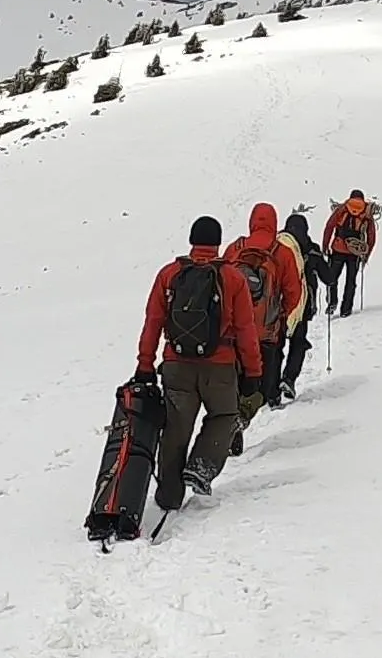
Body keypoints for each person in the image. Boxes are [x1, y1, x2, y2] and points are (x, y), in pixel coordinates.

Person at [136, 215, 264, 508]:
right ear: (217, 244)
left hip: (177, 365)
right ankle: (202, 465)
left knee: (175, 431)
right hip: (220, 366)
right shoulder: (232, 278)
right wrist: (253, 372)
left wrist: (145, 364)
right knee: (224, 417)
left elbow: (153, 322)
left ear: (192, 240)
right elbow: (246, 329)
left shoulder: (169, 275)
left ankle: (169, 497)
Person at [224, 203, 304, 448]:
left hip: (234, 332)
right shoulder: (282, 252)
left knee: (233, 383)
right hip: (266, 334)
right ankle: (241, 418)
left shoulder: (235, 249)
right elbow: (294, 292)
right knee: (258, 387)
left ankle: (228, 424)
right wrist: (280, 317)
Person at [280, 212, 328, 398]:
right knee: (298, 343)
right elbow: (329, 278)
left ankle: (272, 391)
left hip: (277, 305)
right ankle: (289, 379)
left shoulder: (278, 246)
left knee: (275, 346)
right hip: (302, 306)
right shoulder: (312, 250)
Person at [322, 189, 377, 318]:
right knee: (350, 281)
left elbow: (330, 225)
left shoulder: (343, 208)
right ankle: (346, 309)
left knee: (331, 278)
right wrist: (366, 255)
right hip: (355, 252)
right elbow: (371, 236)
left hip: (338, 249)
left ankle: (332, 302)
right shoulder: (366, 212)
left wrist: (325, 245)